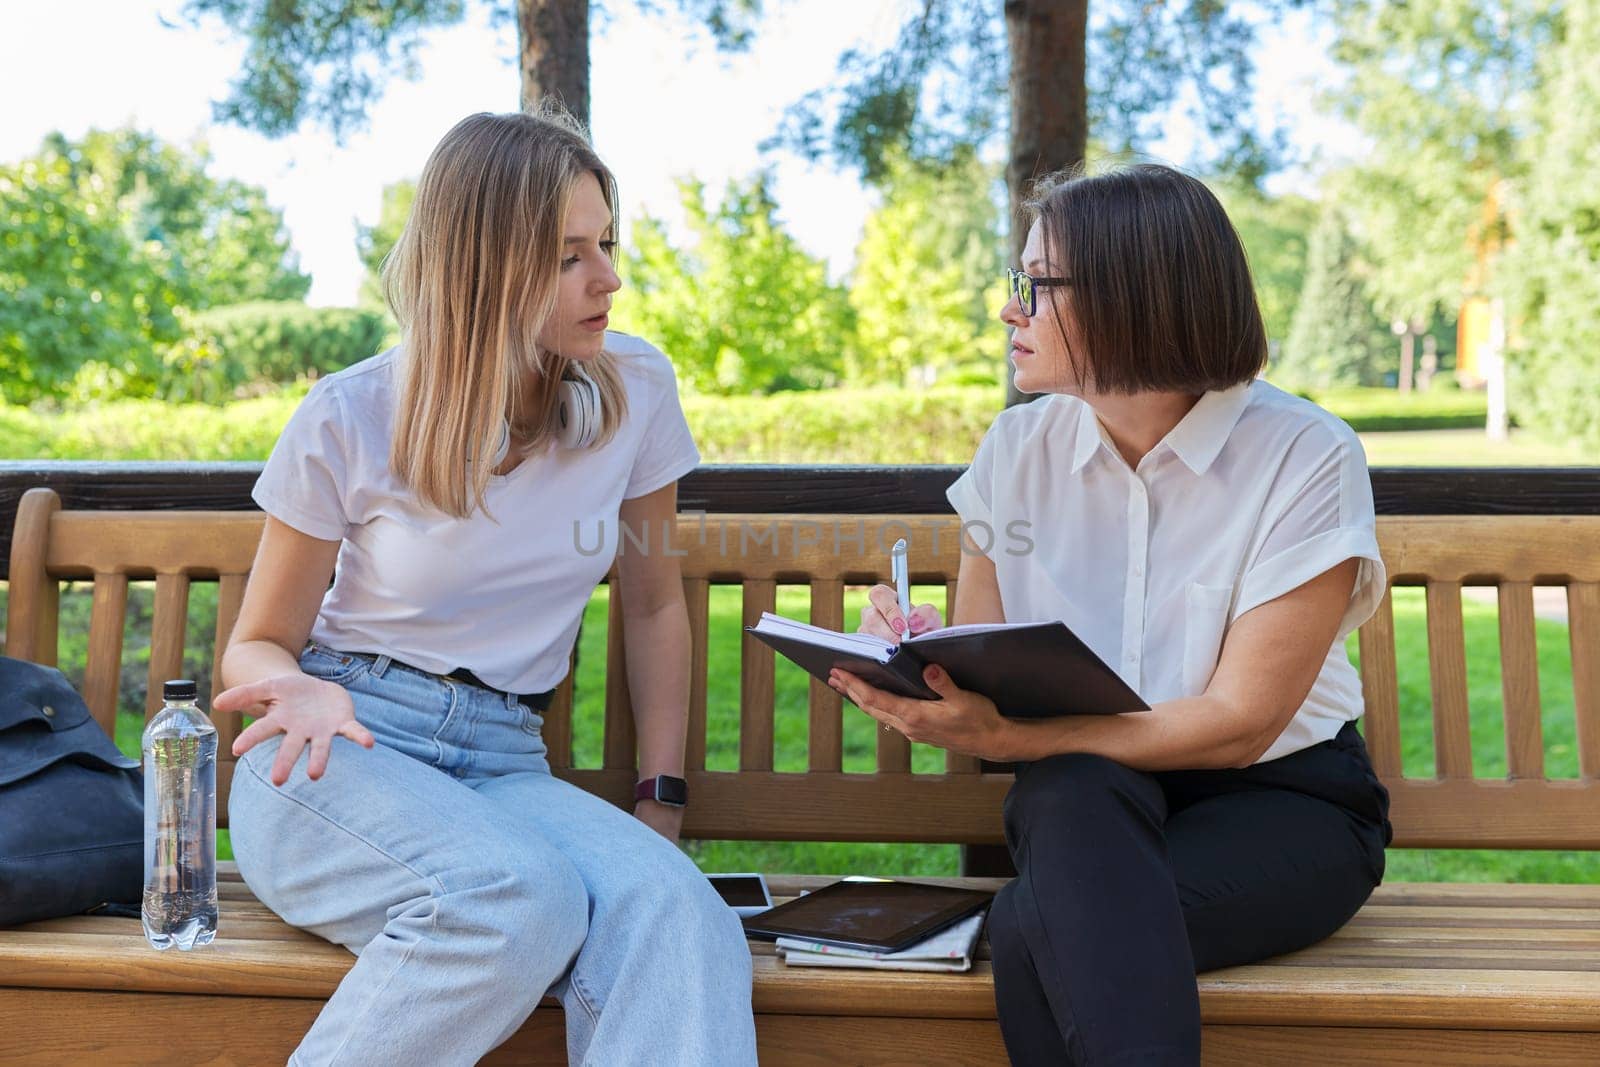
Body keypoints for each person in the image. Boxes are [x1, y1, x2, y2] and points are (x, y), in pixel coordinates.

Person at [214, 110, 756, 1066]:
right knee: (511, 897)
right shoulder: (352, 413)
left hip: (505, 758)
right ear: (485, 266)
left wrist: (661, 801)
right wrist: (294, 682)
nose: (610, 278)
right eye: (567, 256)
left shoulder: (635, 390)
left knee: (679, 909)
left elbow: (654, 602)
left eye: (608, 243)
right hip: (341, 747)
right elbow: (256, 645)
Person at [837, 162, 1392, 1066]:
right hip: (1084, 804)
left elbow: (1241, 724)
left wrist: (1022, 742)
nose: (1007, 310)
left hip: (1281, 808)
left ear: (1137, 295)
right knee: (1072, 806)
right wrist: (922, 654)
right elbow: (989, 672)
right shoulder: (1016, 450)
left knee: (1033, 921)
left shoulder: (1304, 455)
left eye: (1033, 285)